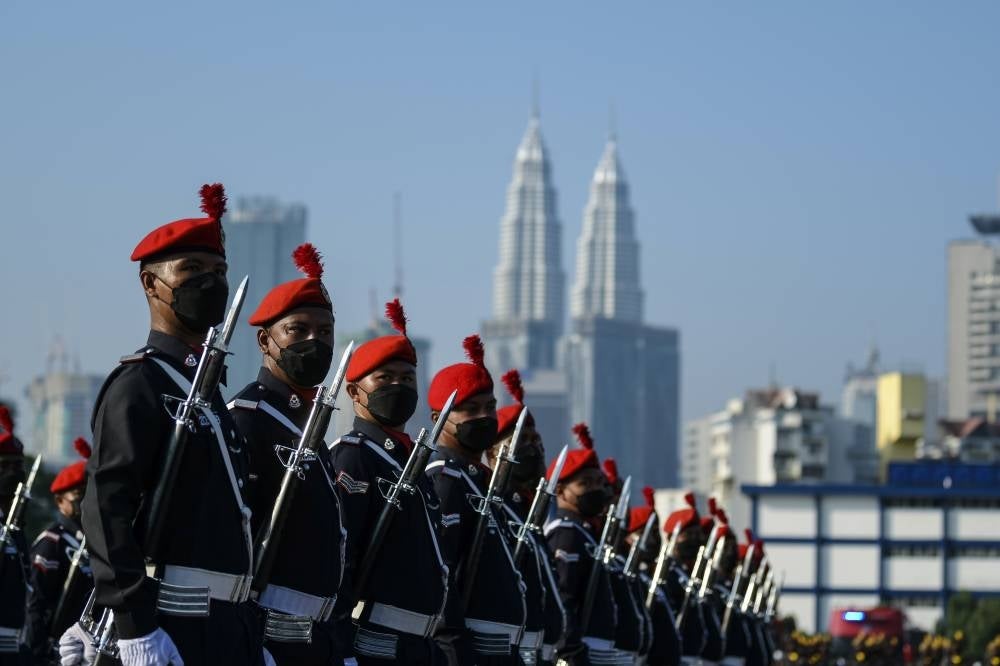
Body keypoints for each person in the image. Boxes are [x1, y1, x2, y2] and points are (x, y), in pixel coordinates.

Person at [73, 184, 266, 666]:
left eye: (219, 271)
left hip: (227, 630)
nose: (211, 282)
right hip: (171, 627)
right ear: (151, 284)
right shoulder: (140, 383)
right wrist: (135, 626)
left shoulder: (205, 394)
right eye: (192, 270)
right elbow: (105, 507)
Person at [228, 243, 344, 665]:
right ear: (265, 340)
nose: (316, 341)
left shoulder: (308, 426)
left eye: (326, 332)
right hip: (266, 635)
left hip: (318, 640)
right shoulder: (247, 418)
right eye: (298, 330)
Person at [328, 299, 450, 664]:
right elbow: (341, 561)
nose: (398, 386)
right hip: (377, 647)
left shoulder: (410, 463)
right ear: (354, 392)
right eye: (384, 378)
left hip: (421, 648)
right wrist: (341, 650)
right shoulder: (354, 456)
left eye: (407, 378)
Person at [425, 335, 526, 665]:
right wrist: (454, 653)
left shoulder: (477, 481)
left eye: (489, 407)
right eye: (469, 409)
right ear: (439, 418)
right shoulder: (445, 478)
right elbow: (441, 578)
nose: (484, 417)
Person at [487, 369, 566, 666]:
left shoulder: (527, 513)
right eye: (523, 440)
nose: (535, 448)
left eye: (537, 440)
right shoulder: (495, 507)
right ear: (495, 453)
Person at [543, 423, 618, 665]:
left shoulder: (585, 534)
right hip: (581, 653)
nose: (596, 489)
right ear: (562, 491)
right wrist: (572, 653)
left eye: (598, 482)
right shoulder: (567, 534)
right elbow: (563, 599)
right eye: (585, 483)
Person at [25, 438, 94, 662]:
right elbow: (35, 606)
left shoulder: (96, 542)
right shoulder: (52, 544)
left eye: (89, 495)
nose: (85, 503)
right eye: (78, 496)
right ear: (59, 501)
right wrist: (40, 654)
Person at [625, 493, 681, 666]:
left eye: (655, 533)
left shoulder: (652, 578)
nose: (652, 540)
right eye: (644, 533)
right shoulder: (629, 576)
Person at [0, 404, 30, 664]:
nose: (14, 474)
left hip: (13, 650)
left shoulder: (13, 530)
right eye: (5, 466)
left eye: (18, 466)